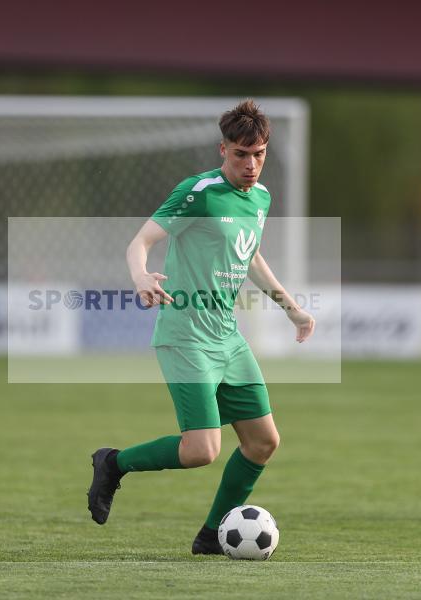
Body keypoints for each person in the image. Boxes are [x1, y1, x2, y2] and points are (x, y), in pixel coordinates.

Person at [87, 100, 315, 554]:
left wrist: (291, 307)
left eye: (260, 154)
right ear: (222, 150)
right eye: (240, 154)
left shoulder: (261, 198)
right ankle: (113, 463)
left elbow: (248, 255)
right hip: (185, 335)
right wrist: (140, 275)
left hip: (227, 337)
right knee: (200, 451)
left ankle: (212, 537)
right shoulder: (199, 192)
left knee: (263, 442)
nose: (251, 165)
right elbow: (141, 241)